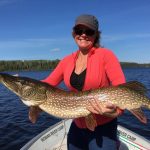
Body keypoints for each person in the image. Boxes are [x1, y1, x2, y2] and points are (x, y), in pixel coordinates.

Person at [31, 14, 126, 150]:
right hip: (77, 125)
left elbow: (121, 88)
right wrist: (27, 89)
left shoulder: (106, 55)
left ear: (96, 34)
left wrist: (117, 111)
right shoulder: (66, 61)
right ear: (73, 33)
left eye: (89, 31)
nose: (83, 35)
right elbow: (47, 83)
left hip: (104, 127)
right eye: (79, 30)